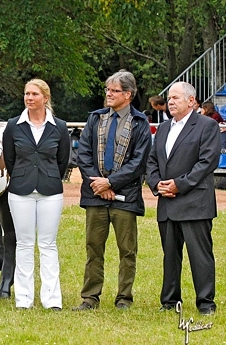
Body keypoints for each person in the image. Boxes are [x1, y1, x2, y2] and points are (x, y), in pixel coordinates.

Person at [73, 70, 151, 311]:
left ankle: (124, 299)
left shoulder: (140, 123)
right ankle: (90, 298)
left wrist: (112, 183)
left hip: (125, 197)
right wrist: (99, 184)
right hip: (96, 194)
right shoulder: (96, 119)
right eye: (107, 89)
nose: (108, 93)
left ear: (127, 94)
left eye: (114, 90)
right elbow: (83, 154)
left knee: (127, 251)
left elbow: (139, 162)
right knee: (93, 248)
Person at [146, 82, 220, 316]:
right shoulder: (164, 128)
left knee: (200, 256)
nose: (170, 102)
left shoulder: (207, 126)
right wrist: (157, 183)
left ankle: (205, 303)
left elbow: (207, 163)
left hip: (195, 203)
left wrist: (180, 185)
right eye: (169, 98)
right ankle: (169, 301)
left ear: (191, 101)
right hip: (167, 202)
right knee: (170, 256)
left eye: (176, 97)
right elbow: (151, 160)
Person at [2, 79, 70, 310]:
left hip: (50, 191)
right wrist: (23, 177)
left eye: (34, 94)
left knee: (48, 244)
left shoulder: (59, 127)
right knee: (24, 244)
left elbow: (62, 161)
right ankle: (23, 299)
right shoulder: (13, 125)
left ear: (45, 98)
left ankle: (52, 300)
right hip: (20, 191)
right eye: (26, 94)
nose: (29, 98)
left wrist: (48, 177)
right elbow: (10, 159)